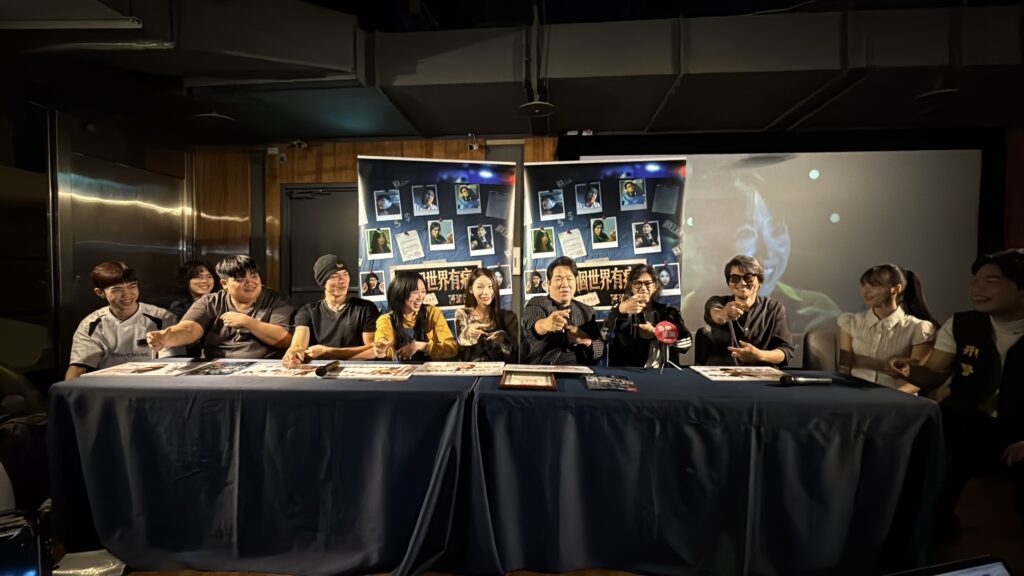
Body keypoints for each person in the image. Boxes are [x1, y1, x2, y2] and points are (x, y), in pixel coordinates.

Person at [888, 249, 1024, 530]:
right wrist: (909, 370)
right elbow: (934, 374)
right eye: (975, 280)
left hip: (1017, 430)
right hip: (967, 422)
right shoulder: (962, 324)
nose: (977, 288)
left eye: (991, 281)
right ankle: (922, 535)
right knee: (918, 448)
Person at [147, 255, 294, 359]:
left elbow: (284, 340)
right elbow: (190, 329)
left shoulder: (277, 300)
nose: (250, 283)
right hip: (217, 365)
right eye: (240, 279)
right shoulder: (209, 301)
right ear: (224, 284)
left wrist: (248, 322)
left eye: (254, 276)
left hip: (265, 365)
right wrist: (167, 338)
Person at [66, 262, 179, 379]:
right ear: (100, 292)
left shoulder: (161, 317)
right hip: (109, 384)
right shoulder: (91, 324)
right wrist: (68, 388)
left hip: (153, 382)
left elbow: (173, 363)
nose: (127, 294)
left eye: (132, 286)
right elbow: (79, 367)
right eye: (117, 289)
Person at [838, 264, 937, 392]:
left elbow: (918, 380)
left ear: (896, 289)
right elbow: (844, 368)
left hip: (898, 398)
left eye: (874, 286)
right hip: (856, 395)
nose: (865, 292)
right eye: (863, 285)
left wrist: (891, 397)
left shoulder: (918, 328)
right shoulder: (851, 323)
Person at [282, 255, 380, 367]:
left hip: (356, 368)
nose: (342, 280)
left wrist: (327, 352)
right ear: (323, 283)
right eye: (334, 276)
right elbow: (298, 346)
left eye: (345, 274)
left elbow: (372, 350)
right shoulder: (307, 312)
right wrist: (292, 354)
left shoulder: (366, 308)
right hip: (319, 371)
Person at [703, 255, 794, 366]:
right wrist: (725, 314)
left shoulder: (774, 308)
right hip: (722, 373)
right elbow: (716, 314)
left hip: (761, 374)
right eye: (735, 278)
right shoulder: (718, 302)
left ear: (759, 281)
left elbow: (785, 352)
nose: (742, 283)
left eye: (749, 277)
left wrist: (759, 355)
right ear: (729, 284)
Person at [522, 256, 605, 365]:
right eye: (558, 279)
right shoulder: (538, 302)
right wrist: (546, 325)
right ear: (549, 284)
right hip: (545, 369)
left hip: (580, 371)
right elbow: (534, 326)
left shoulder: (587, 311)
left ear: (575, 282)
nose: (565, 284)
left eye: (569, 279)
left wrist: (585, 340)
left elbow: (600, 349)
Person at [604, 263, 691, 367]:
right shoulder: (620, 311)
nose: (643, 288)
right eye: (638, 283)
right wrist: (620, 309)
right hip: (629, 373)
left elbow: (686, 344)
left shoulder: (669, 312)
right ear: (631, 287)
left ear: (655, 286)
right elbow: (604, 336)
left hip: (662, 373)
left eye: (648, 283)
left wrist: (656, 332)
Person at [373, 271, 458, 361]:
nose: (420, 297)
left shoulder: (432, 313)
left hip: (429, 367)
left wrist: (421, 346)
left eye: (423, 291)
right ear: (400, 292)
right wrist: (381, 346)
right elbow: (383, 335)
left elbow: (452, 348)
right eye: (415, 292)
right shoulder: (386, 319)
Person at [455, 268, 519, 362]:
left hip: (500, 369)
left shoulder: (508, 317)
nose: (486, 292)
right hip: (472, 369)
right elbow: (460, 343)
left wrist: (503, 339)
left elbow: (516, 353)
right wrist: (468, 333)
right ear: (471, 289)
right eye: (480, 287)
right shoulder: (463, 314)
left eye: (490, 286)